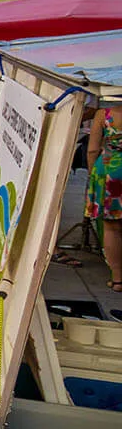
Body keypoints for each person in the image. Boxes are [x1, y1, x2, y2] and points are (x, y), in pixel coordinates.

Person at [88, 103, 122, 293]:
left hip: (110, 170)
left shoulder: (104, 114)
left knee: (112, 226)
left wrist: (92, 171)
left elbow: (92, 149)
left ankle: (118, 280)